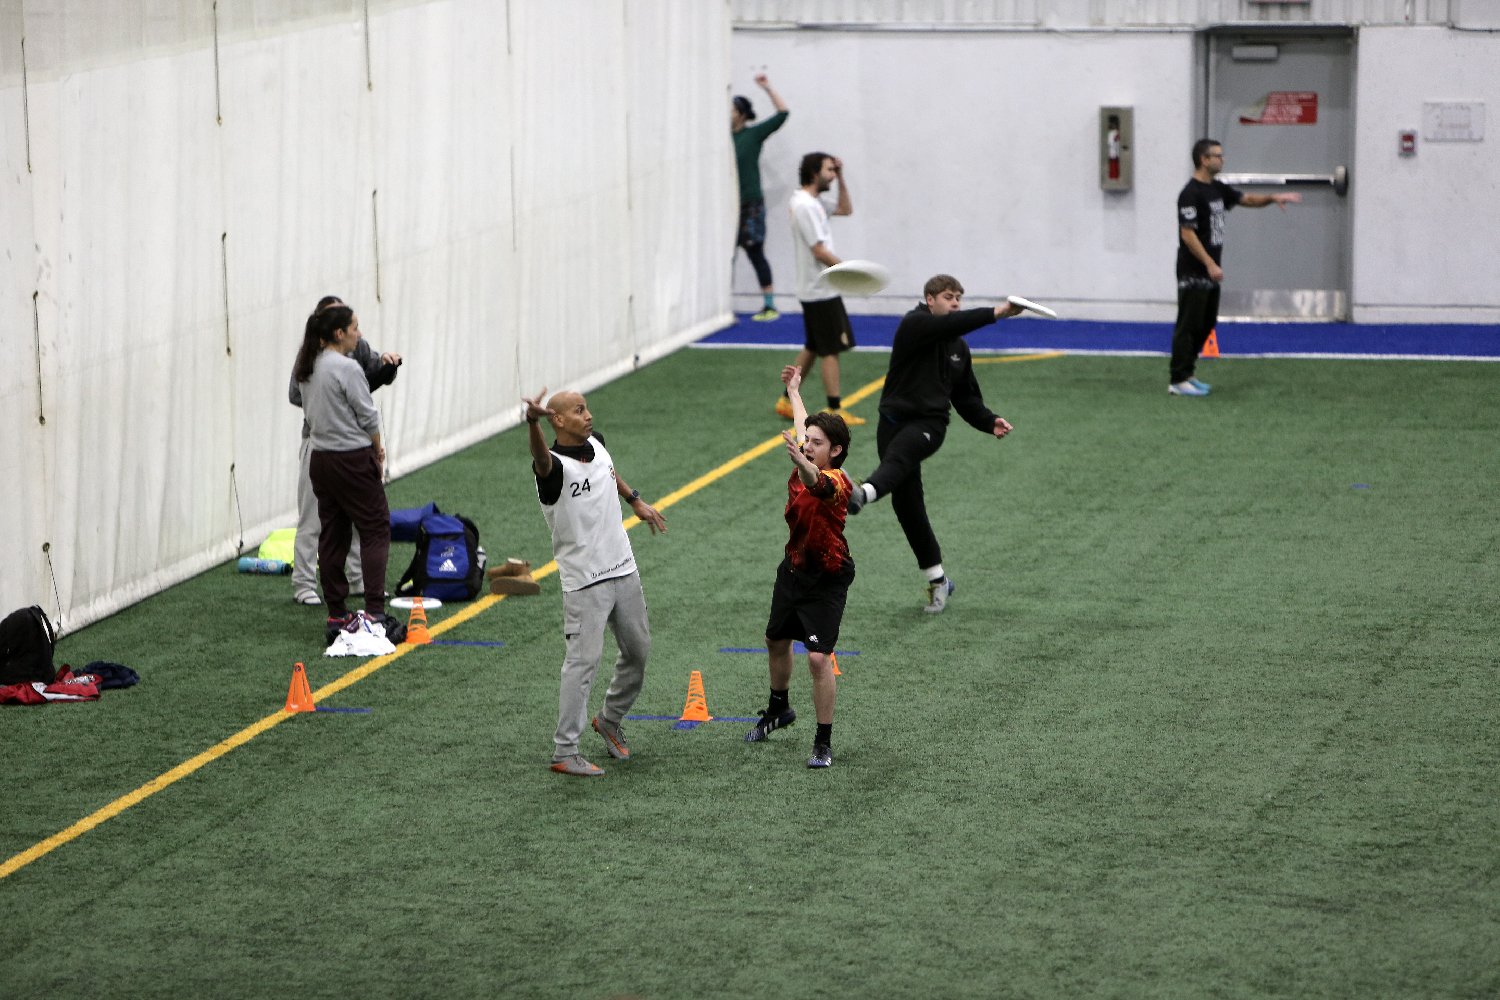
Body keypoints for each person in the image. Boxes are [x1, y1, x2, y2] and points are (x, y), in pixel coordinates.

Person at [845, 275, 1024, 613]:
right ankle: (938, 580)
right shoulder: (914, 325)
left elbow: (966, 397)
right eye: (948, 296)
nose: (955, 303)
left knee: (901, 456)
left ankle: (862, 494)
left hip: (930, 424)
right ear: (929, 300)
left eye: (958, 298)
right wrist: (998, 312)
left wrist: (989, 420)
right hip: (891, 422)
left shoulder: (958, 348)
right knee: (908, 505)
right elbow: (951, 324)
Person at [522, 387, 668, 777]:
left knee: (638, 651)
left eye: (587, 408)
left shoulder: (597, 443)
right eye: (579, 410)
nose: (588, 415)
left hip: (623, 567)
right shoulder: (552, 469)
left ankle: (610, 719)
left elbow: (608, 471)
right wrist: (532, 423)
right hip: (585, 581)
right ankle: (565, 751)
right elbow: (540, 457)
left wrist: (634, 499)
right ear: (557, 420)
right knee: (582, 664)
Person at [747, 365, 854, 769]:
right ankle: (779, 709)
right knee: (775, 639)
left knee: (817, 659)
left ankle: (823, 743)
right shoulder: (806, 456)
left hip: (827, 577)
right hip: (793, 569)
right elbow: (804, 426)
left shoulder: (837, 482)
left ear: (835, 451)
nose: (807, 446)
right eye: (806, 441)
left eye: (816, 443)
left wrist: (800, 458)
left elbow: (816, 482)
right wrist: (794, 391)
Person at [288, 296, 400, 605]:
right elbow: (366, 412)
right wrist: (377, 449)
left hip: (328, 452)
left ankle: (350, 587)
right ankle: (306, 584)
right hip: (334, 448)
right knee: (320, 521)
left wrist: (387, 367)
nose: (359, 333)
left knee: (338, 526)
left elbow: (373, 374)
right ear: (336, 330)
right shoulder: (320, 362)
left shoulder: (339, 358)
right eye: (354, 327)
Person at [1170, 138, 1301, 397]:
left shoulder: (1216, 188)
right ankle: (1177, 379)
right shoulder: (1190, 194)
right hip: (1193, 271)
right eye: (1217, 156)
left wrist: (1272, 198)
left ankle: (1188, 373)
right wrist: (1209, 263)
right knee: (1188, 325)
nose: (1223, 159)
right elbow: (1188, 234)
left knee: (1206, 323)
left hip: (1210, 271)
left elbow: (1247, 199)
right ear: (1204, 160)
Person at [776, 151, 865, 426]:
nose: (833, 175)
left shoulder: (813, 203)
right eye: (829, 170)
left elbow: (846, 209)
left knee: (814, 346)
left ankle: (785, 401)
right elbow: (818, 250)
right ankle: (835, 408)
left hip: (816, 288)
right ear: (814, 173)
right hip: (820, 289)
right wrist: (848, 271)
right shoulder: (805, 206)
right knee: (830, 349)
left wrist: (842, 176)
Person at [732, 73, 790, 322]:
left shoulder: (752, 135)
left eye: (732, 110)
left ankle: (769, 305)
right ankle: (720, 306)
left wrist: (768, 88)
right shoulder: (720, 141)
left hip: (750, 203)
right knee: (724, 256)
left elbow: (782, 114)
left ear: (742, 114)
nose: (727, 114)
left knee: (755, 251)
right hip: (726, 207)